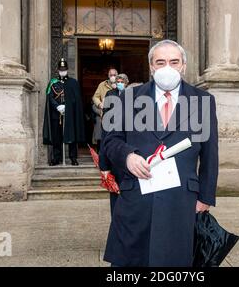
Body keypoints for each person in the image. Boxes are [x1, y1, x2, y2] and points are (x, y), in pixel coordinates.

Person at [102, 40, 219, 267]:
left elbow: (210, 152)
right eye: (161, 62)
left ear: (183, 65)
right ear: (151, 67)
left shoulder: (203, 101)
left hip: (182, 200)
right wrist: (128, 156)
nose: (168, 67)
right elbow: (110, 142)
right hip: (137, 196)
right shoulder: (127, 99)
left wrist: (206, 197)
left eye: (174, 62)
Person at [43, 58, 85, 166]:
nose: (63, 71)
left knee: (72, 136)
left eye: (64, 69)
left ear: (67, 70)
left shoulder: (73, 83)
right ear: (58, 70)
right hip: (56, 115)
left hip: (69, 114)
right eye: (61, 69)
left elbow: (76, 99)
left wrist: (67, 106)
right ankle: (56, 158)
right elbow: (50, 97)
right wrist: (57, 107)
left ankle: (73, 157)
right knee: (57, 137)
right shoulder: (53, 83)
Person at [100, 74, 130, 216]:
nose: (119, 83)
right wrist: (104, 164)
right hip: (115, 149)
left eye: (122, 81)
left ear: (126, 83)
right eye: (117, 81)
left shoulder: (133, 95)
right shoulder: (110, 94)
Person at [92, 68, 118, 150]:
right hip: (103, 111)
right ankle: (100, 152)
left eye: (114, 75)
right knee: (100, 132)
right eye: (111, 75)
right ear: (108, 76)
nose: (113, 77)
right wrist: (99, 104)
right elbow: (95, 97)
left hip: (116, 113)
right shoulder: (102, 85)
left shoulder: (120, 83)